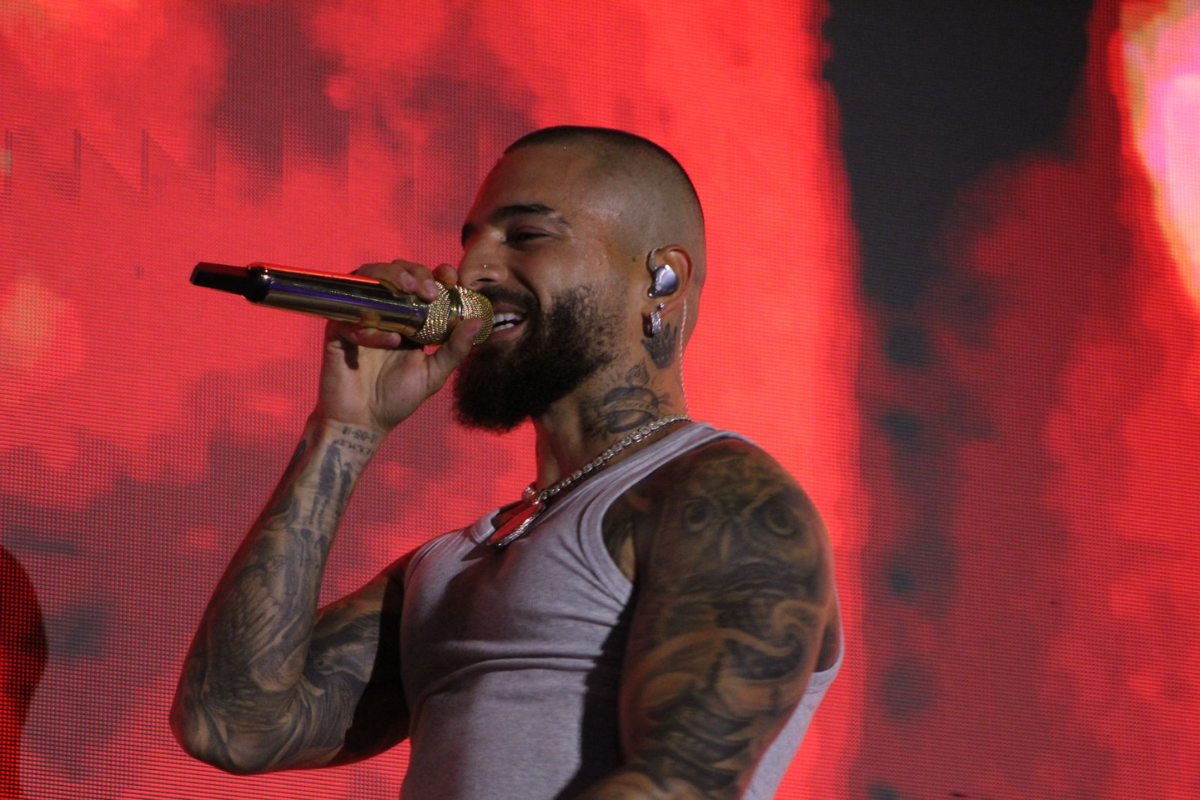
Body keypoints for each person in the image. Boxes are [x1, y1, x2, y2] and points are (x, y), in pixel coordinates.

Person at [170, 126, 842, 799]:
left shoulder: (723, 497)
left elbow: (680, 787)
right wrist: (345, 429)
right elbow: (230, 724)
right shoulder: (450, 562)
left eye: (525, 236)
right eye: (471, 242)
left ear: (661, 279)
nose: (473, 272)